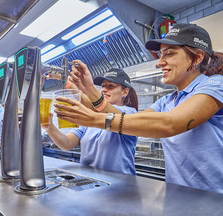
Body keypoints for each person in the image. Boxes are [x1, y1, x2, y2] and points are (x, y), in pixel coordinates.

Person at [53, 23, 223, 193]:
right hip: (178, 197)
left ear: (198, 57)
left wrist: (93, 119)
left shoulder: (216, 84)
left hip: (214, 199)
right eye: (160, 55)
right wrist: (89, 89)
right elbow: (129, 124)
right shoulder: (166, 101)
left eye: (169, 54)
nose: (160, 63)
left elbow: (171, 123)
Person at [43, 66, 138, 174]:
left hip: (121, 184)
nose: (104, 90)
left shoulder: (129, 114)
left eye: (111, 86)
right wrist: (49, 126)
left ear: (125, 92)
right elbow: (67, 143)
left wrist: (68, 82)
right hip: (92, 183)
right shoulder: (90, 117)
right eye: (103, 86)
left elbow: (101, 111)